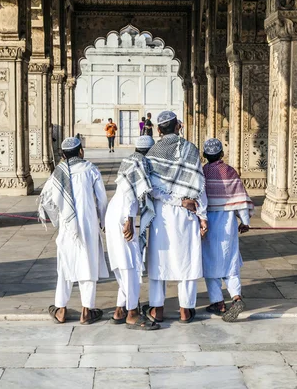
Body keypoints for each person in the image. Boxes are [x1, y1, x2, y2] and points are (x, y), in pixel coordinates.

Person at [143, 111, 208, 324]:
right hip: (186, 214)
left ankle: (157, 309)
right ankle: (185, 310)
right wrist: (202, 216)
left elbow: (151, 189)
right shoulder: (190, 149)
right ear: (178, 126)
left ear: (159, 130)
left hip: (162, 215)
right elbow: (200, 188)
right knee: (186, 261)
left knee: (159, 262)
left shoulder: (152, 153)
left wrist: (174, 201)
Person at [39, 137, 109, 325]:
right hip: (88, 226)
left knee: (65, 266)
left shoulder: (58, 173)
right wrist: (103, 221)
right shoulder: (90, 170)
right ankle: (86, 311)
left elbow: (46, 200)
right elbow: (102, 200)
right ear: (80, 152)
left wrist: (59, 218)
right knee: (88, 264)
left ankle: (60, 309)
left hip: (68, 228)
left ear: (63, 154)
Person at [105, 135, 160, 331]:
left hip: (113, 213)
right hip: (122, 215)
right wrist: (129, 219)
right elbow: (130, 193)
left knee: (124, 263)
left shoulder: (130, 159)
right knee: (129, 264)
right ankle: (132, 313)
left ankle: (120, 309)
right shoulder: (141, 162)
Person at [201, 138, 253, 322]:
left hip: (209, 223)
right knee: (230, 261)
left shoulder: (204, 172)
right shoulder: (229, 171)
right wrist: (245, 221)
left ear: (205, 155)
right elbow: (240, 198)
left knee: (210, 262)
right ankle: (236, 297)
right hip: (229, 221)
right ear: (222, 154)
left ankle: (218, 302)